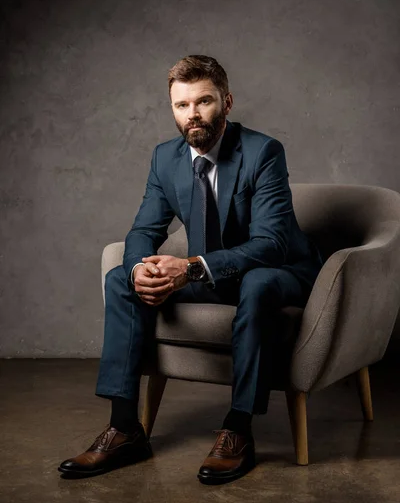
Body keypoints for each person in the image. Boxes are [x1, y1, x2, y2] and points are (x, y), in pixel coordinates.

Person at [58, 55, 322, 485]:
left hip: (279, 272)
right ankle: (125, 429)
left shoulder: (263, 151)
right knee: (120, 280)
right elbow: (144, 229)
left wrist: (192, 268)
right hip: (213, 276)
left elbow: (270, 243)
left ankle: (238, 429)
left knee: (256, 284)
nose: (193, 115)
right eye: (181, 105)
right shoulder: (166, 158)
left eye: (204, 102)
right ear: (172, 109)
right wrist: (141, 269)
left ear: (227, 102)